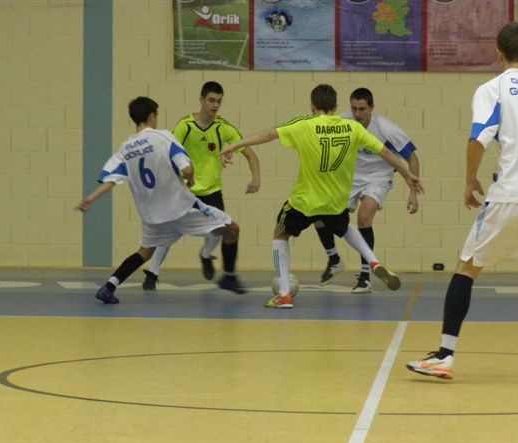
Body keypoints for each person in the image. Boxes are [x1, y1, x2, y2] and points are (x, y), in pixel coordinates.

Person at [406, 22, 518, 381]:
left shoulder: (494, 88)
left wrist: (470, 179)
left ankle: (445, 355)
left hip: (511, 194)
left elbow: (479, 138)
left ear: (498, 54)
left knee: (466, 268)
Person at [220, 84, 424, 308]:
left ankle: (284, 295)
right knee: (345, 227)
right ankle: (373, 261)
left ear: (312, 106)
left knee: (280, 233)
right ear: (336, 106)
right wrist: (407, 174)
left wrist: (234, 145)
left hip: (305, 200)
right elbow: (385, 152)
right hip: (335, 201)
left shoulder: (305, 124)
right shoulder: (352, 127)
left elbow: (268, 135)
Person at [76, 96, 246, 304]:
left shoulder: (125, 149)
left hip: (153, 217)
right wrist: (191, 179)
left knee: (144, 252)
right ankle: (228, 276)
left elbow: (111, 180)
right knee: (232, 229)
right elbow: (186, 168)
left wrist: (90, 198)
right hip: (181, 208)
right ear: (152, 116)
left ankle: (109, 286)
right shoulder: (163, 137)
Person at [141, 81, 260, 290]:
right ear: (201, 100)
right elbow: (168, 153)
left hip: (212, 190)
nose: (215, 105)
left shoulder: (224, 128)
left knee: (221, 230)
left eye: (219, 101)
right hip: (185, 189)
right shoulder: (185, 126)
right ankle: (153, 273)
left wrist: (255, 179)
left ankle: (205, 255)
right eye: (211, 100)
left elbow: (250, 154)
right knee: (169, 232)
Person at [314, 87, 421, 293]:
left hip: (378, 177)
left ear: (372, 108)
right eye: (354, 108)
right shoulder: (343, 121)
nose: (357, 114)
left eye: (362, 109)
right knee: (319, 216)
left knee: (364, 217)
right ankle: (334, 259)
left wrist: (413, 193)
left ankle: (365, 276)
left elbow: (412, 158)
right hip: (350, 176)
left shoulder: (386, 129)